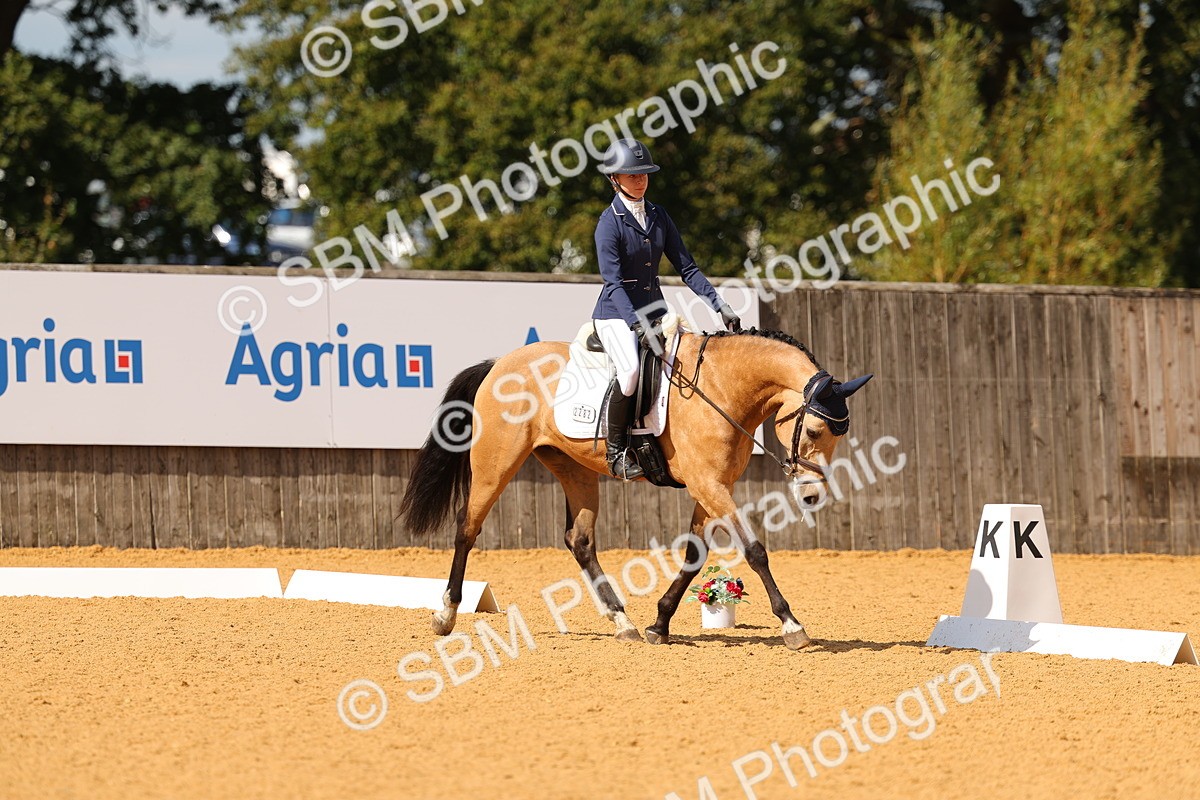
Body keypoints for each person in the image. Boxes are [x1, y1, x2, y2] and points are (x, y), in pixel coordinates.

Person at [592, 138, 741, 481]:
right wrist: (636, 324)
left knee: (687, 365)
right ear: (615, 178)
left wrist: (720, 305)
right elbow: (613, 284)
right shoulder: (609, 223)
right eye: (632, 175)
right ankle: (616, 453)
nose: (640, 179)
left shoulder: (659, 216)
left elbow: (687, 268)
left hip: (656, 313)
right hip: (616, 315)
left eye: (644, 173)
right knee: (630, 371)